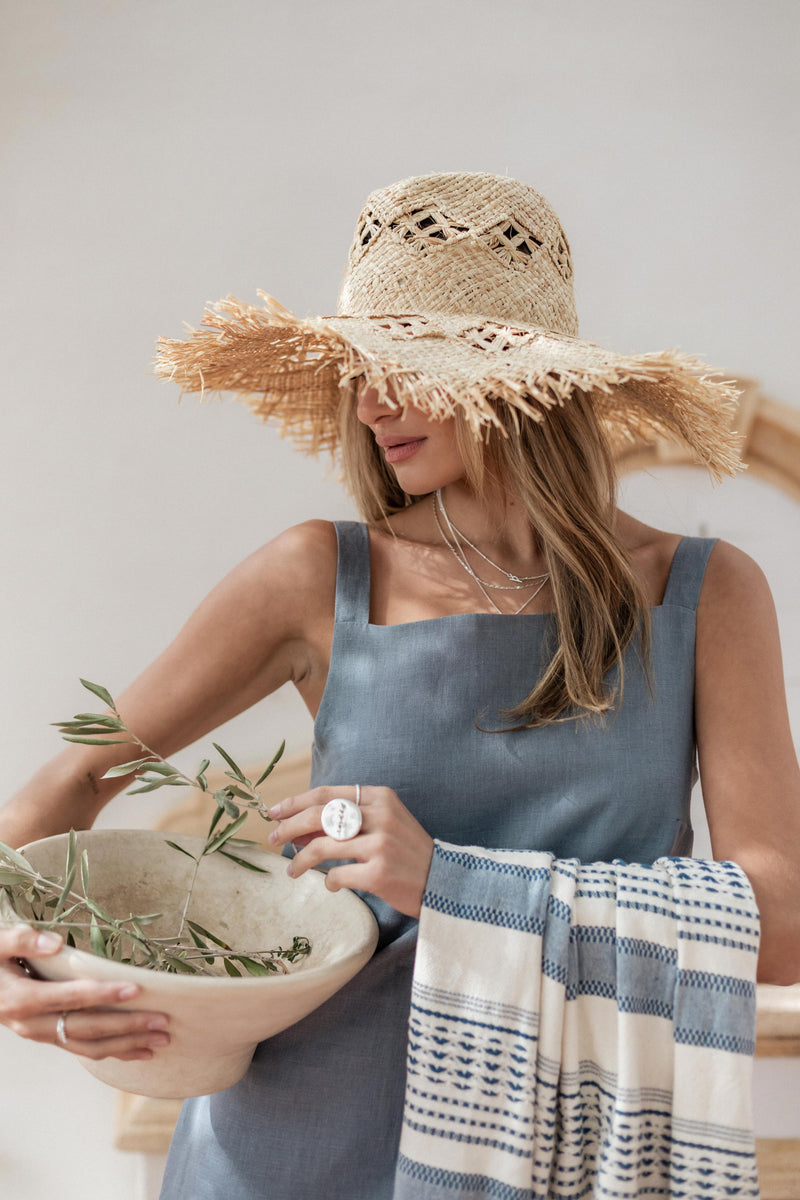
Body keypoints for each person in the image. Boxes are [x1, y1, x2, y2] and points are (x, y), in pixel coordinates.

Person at [1, 172, 798, 1200]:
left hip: (562, 1155)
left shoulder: (701, 594)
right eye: (356, 368)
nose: (370, 404)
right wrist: (23, 963)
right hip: (294, 1143)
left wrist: (450, 884)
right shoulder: (313, 576)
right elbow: (66, 789)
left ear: (516, 376)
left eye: (404, 365)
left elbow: (775, 928)